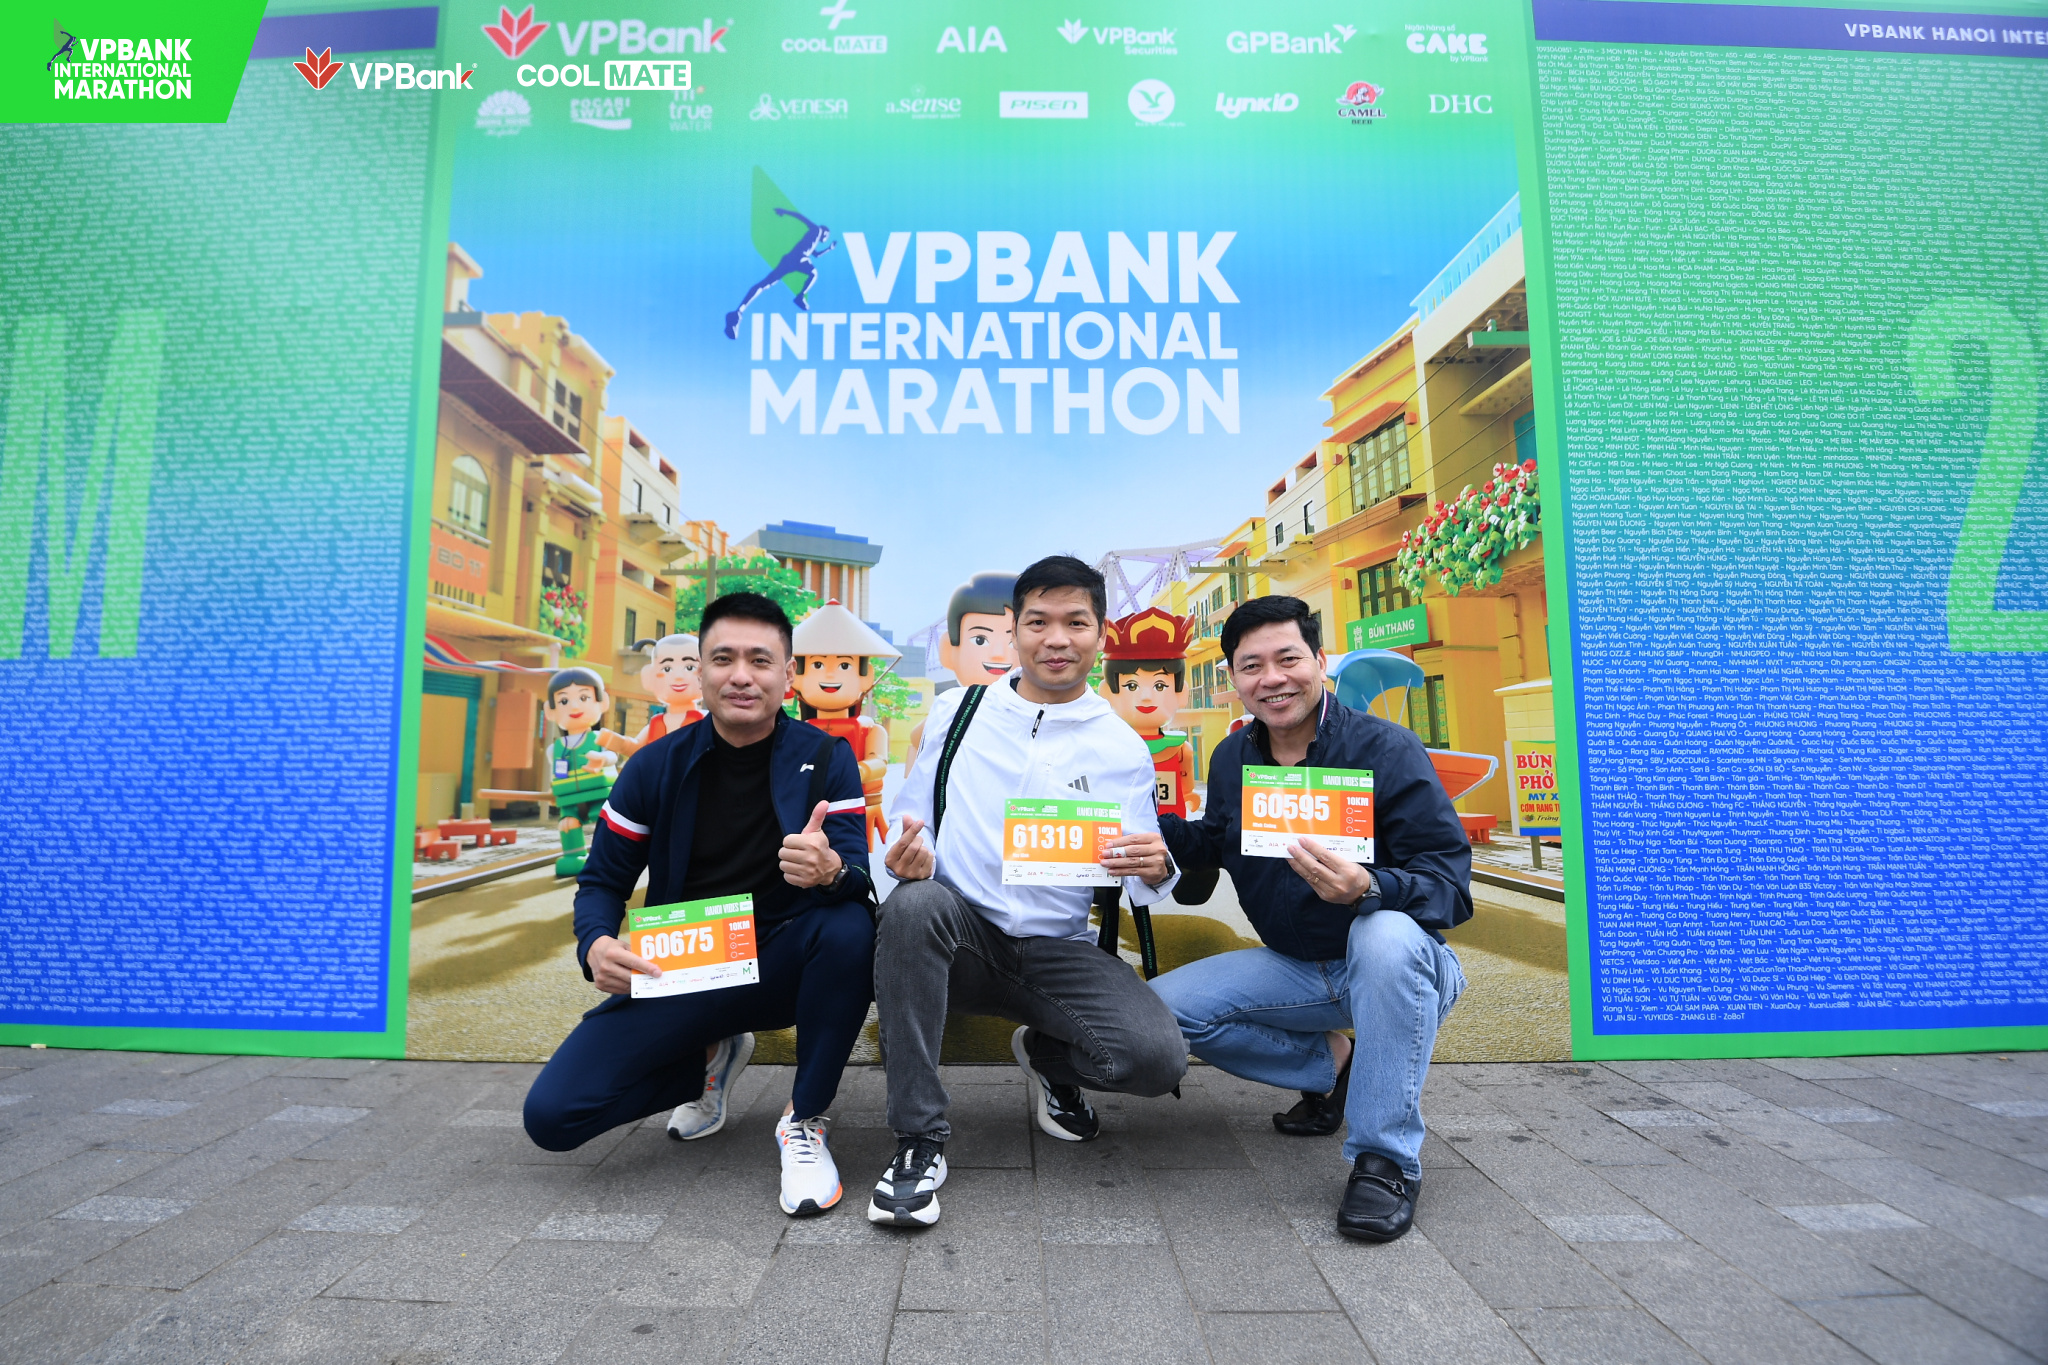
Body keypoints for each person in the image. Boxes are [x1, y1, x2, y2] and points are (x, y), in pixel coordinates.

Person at [522, 592, 877, 1218]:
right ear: (701, 670)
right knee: (553, 1117)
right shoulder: (653, 766)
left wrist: (830, 872)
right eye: (723, 658)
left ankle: (804, 1118)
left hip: (788, 960)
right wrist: (595, 943)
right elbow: (602, 881)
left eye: (760, 660)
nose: (741, 676)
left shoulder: (826, 757)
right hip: (688, 962)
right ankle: (709, 1059)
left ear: (787, 674)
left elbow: (857, 879)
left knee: (849, 926)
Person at [870, 556, 1187, 1228]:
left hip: (1059, 950)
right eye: (1039, 622)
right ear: (1013, 629)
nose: (1057, 639)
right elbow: (908, 822)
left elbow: (1140, 876)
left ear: (1101, 633)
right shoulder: (958, 713)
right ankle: (918, 1138)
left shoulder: (1121, 747)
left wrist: (1157, 868)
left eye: (1076, 622)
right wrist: (902, 858)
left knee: (1157, 1059)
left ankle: (1047, 1057)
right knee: (913, 904)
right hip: (961, 937)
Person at [1149, 595, 1471, 1244]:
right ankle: (1336, 1066)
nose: (1272, 679)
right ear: (1234, 678)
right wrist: (1147, 833)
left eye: (1288, 658)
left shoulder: (1386, 748)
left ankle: (1384, 1160)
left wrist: (1369, 885)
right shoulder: (1232, 758)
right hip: (1296, 967)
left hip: (1396, 966)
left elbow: (1449, 885)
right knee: (1156, 1014)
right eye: (1252, 666)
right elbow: (1216, 840)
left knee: (1382, 929)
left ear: (1320, 661)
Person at [790, 601, 899, 848]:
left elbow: (878, 763)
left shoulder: (871, 730)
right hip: (805, 808)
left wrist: (851, 772)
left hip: (859, 807)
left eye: (844, 665)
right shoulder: (796, 731)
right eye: (818, 665)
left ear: (866, 677)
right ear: (796, 676)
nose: (830, 675)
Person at [902, 571, 1016, 768]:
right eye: (980, 640)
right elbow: (916, 739)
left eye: (1013, 641)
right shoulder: (951, 707)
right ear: (949, 651)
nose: (998, 654)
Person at [543, 667, 621, 877]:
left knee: (605, 820)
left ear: (602, 702)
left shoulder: (600, 739)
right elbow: (556, 775)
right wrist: (553, 791)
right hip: (569, 799)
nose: (574, 706)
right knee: (567, 824)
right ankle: (573, 857)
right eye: (564, 701)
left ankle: (610, 857)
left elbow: (614, 756)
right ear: (550, 711)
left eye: (584, 697)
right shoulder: (555, 749)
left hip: (600, 794)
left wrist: (603, 759)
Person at [723, 206, 836, 340]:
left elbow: (816, 254)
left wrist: (829, 249)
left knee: (765, 284)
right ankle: (800, 296)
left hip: (790, 260)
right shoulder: (817, 230)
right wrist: (785, 211)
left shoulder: (813, 242)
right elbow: (802, 218)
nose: (826, 238)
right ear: (825, 233)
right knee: (814, 273)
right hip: (799, 258)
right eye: (827, 236)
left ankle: (738, 312)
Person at [601, 633, 705, 763]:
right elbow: (637, 748)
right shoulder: (656, 724)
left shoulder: (706, 721)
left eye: (689, 667)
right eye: (667, 669)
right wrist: (619, 743)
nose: (678, 676)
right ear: (650, 676)